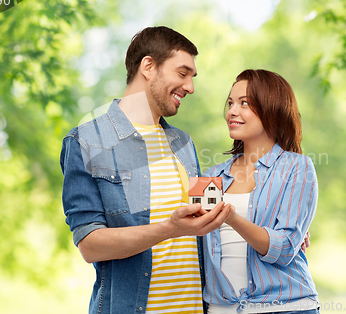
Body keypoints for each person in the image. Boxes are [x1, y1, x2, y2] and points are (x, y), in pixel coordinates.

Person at [60, 26, 233, 314]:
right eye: (182, 73)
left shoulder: (182, 142)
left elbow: (205, 217)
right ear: (148, 66)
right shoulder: (86, 141)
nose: (190, 87)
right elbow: (90, 244)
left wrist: (278, 228)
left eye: (192, 77)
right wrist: (169, 229)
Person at [201, 69, 320, 314]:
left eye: (244, 103)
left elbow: (285, 248)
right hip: (221, 308)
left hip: (286, 306)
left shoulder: (297, 167)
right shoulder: (211, 175)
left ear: (271, 108)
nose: (232, 111)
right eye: (231, 103)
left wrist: (231, 217)